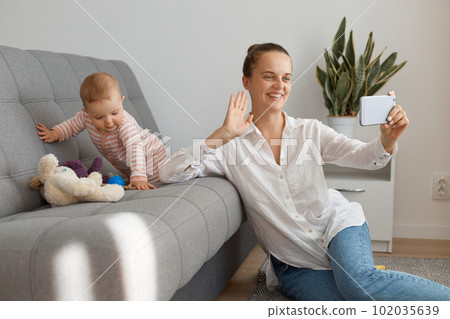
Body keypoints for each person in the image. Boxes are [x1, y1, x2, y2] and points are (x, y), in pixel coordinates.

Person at [159, 43, 450, 300]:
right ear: (246, 82)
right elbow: (169, 172)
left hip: (338, 227)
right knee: (344, 304)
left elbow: (363, 156)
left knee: (359, 285)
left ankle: (366, 276)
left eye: (286, 77)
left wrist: (388, 139)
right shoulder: (230, 148)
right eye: (268, 76)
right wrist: (223, 133)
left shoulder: (309, 131)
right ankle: (370, 279)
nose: (279, 85)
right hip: (294, 264)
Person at [37, 72, 167, 190]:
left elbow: (135, 149)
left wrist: (139, 177)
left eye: (115, 113)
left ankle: (184, 164)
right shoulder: (85, 118)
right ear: (87, 112)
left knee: (162, 179)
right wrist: (55, 133)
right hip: (130, 166)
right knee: (136, 181)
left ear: (121, 101)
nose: (109, 121)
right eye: (99, 117)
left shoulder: (125, 126)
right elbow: (71, 126)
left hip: (151, 159)